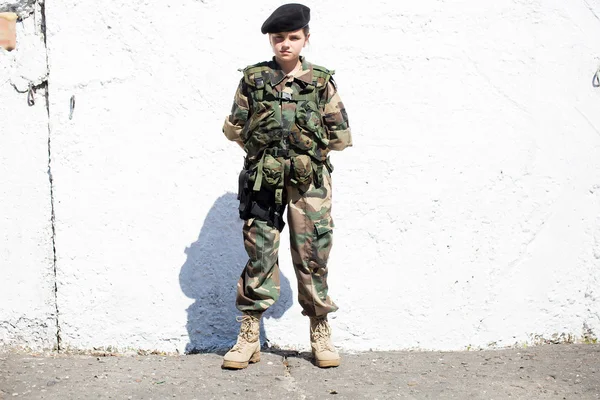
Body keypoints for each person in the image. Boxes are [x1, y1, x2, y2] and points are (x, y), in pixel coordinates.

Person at [221, 3, 352, 369]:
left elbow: (340, 136)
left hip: (309, 185)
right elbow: (234, 128)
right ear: (270, 40)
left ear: (305, 38)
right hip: (264, 180)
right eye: (278, 38)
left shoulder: (321, 81)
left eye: (293, 38)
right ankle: (249, 335)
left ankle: (319, 330)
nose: (285, 44)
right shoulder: (253, 79)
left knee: (313, 256)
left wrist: (305, 155)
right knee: (259, 253)